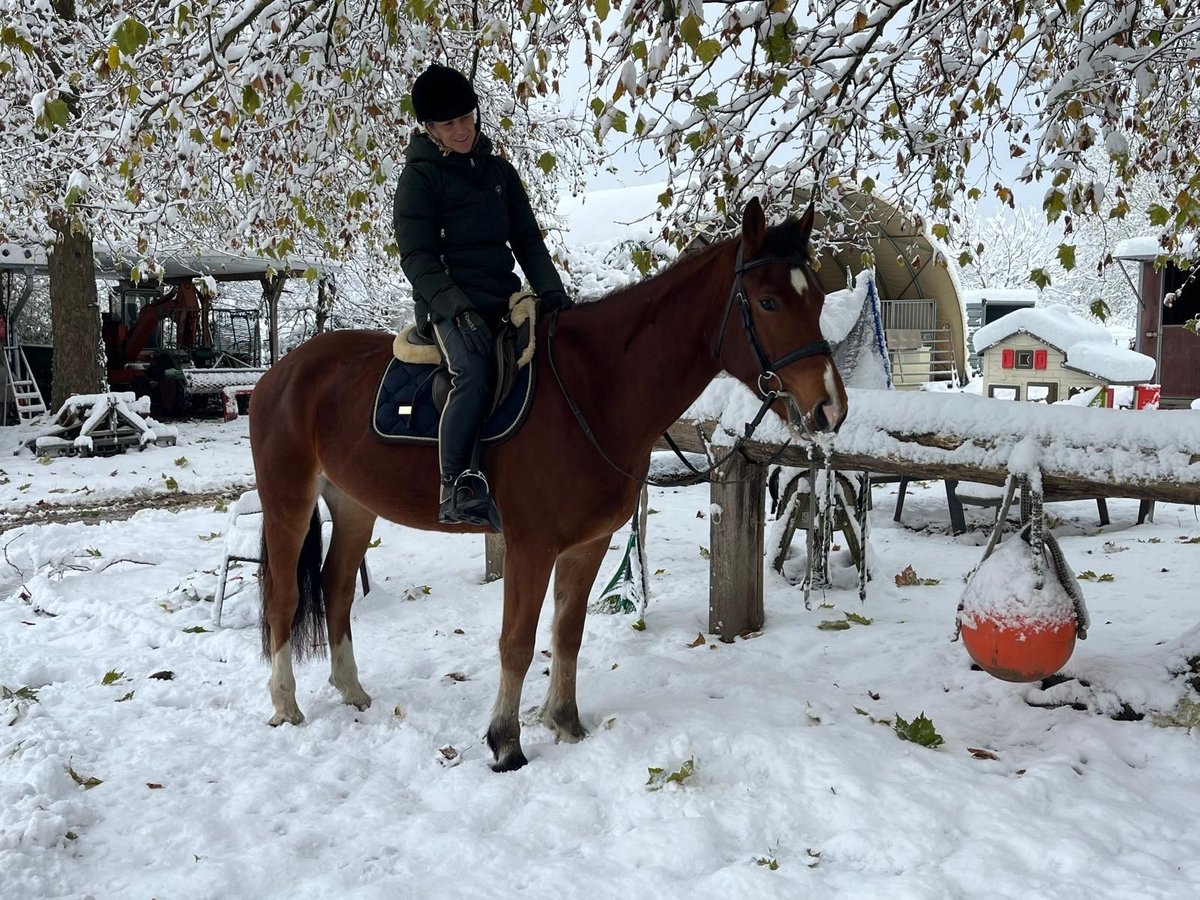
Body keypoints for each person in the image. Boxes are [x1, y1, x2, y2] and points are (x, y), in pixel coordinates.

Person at [393, 63, 572, 531]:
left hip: (501, 299)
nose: (461, 130)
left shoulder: (500, 173)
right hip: (447, 305)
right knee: (473, 369)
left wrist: (553, 291)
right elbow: (417, 257)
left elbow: (528, 241)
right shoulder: (420, 179)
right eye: (449, 123)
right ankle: (456, 482)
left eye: (466, 118)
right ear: (429, 128)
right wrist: (455, 308)